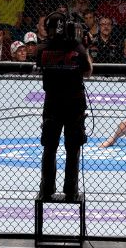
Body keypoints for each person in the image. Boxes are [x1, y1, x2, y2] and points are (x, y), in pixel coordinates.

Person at [36, 11, 92, 199]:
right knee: (73, 147)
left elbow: (41, 67)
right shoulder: (77, 48)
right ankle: (71, 189)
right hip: (73, 103)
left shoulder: (42, 49)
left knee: (49, 147)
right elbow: (88, 72)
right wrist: (84, 47)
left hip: (52, 102)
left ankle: (47, 188)